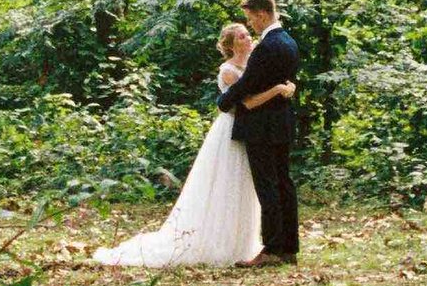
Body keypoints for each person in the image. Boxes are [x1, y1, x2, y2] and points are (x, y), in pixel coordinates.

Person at [92, 23, 294, 268]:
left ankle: (244, 241)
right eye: (242, 36)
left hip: (252, 132)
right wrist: (277, 90)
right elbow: (247, 103)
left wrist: (288, 86)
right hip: (231, 130)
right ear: (231, 45)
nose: (249, 38)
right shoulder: (229, 71)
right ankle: (217, 242)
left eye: (248, 34)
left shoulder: (255, 63)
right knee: (224, 185)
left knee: (245, 187)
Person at [218, 0, 299, 266]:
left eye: (251, 19)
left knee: (268, 187)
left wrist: (224, 100)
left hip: (262, 125)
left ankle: (272, 249)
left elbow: (248, 83)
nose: (251, 24)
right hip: (282, 122)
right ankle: (289, 247)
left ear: (263, 14)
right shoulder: (289, 42)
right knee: (284, 183)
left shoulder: (267, 46)